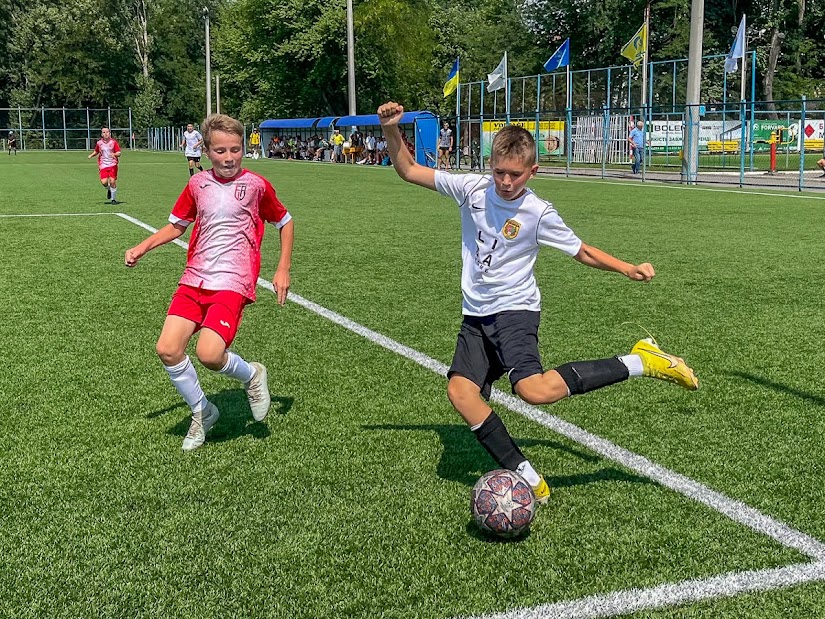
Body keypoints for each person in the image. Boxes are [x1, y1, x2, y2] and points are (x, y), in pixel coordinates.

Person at [376, 101, 698, 503]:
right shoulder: (471, 189)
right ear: (489, 165)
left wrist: (627, 268)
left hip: (515, 311)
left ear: (532, 172)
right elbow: (408, 170)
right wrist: (392, 128)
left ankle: (641, 361)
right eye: (499, 172)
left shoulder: (538, 212)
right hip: (476, 316)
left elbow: (582, 251)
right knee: (461, 393)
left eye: (515, 174)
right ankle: (525, 475)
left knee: (533, 391)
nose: (506, 182)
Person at [124, 114, 295, 451]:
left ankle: (251, 375)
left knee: (209, 354)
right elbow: (176, 226)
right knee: (168, 349)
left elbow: (285, 221)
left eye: (235, 149)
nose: (229, 157)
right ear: (205, 151)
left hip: (233, 281)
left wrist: (282, 268)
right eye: (220, 151)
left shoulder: (257, 185)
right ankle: (203, 411)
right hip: (195, 278)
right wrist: (142, 247)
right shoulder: (196, 185)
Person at [87, 127, 121, 204]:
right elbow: (96, 151)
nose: (106, 134)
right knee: (104, 182)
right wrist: (91, 155)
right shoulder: (99, 143)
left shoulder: (113, 142)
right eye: (104, 132)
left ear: (110, 133)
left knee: (112, 181)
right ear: (102, 134)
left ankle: (113, 199)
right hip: (103, 165)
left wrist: (115, 154)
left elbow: (119, 153)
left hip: (112, 164)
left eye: (107, 132)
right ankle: (109, 189)